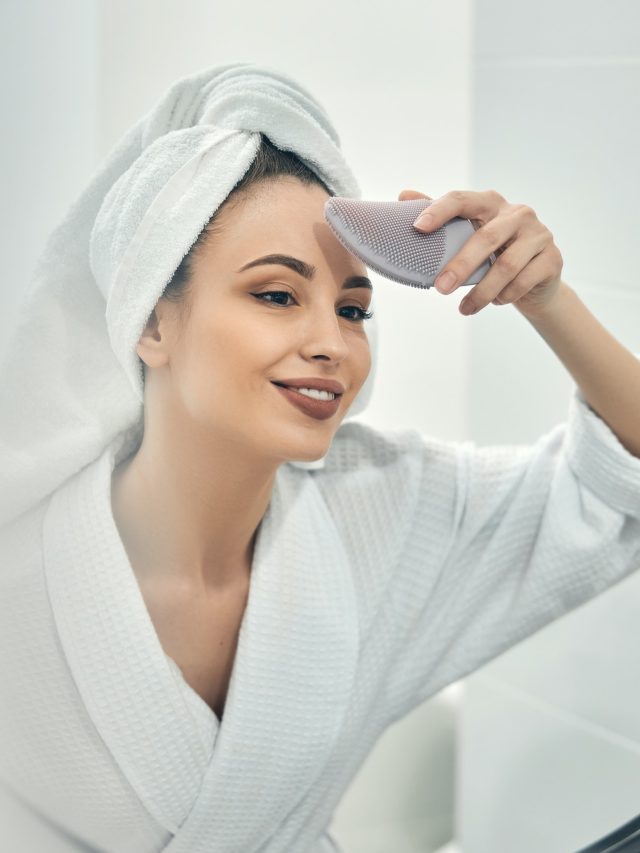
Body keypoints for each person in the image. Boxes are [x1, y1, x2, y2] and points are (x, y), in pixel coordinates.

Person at [1, 63, 639, 853]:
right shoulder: (18, 586)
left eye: (353, 309)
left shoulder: (380, 510)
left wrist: (546, 298)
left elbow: (618, 486)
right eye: (276, 294)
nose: (330, 343)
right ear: (151, 321)